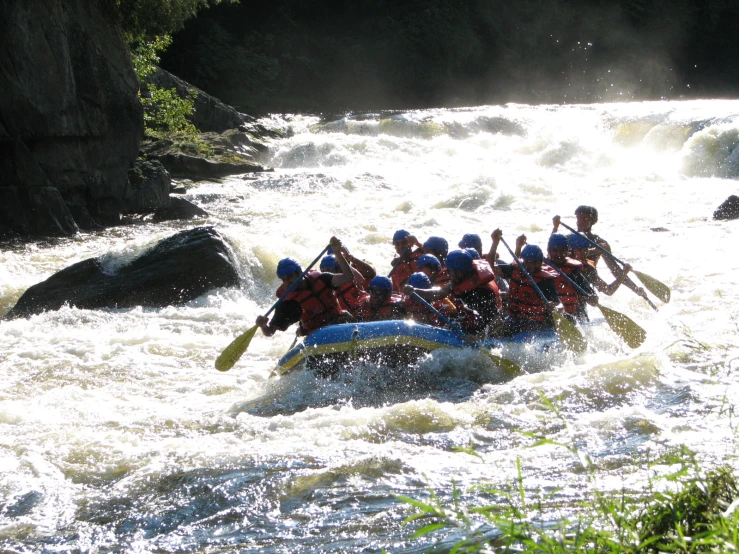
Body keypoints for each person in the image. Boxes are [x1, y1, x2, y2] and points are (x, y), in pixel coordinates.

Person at [256, 237, 353, 337]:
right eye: (283, 280)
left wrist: (337, 253)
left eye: (289, 277)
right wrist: (262, 325)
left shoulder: (322, 279)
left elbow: (348, 277)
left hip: (340, 326)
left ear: (299, 273)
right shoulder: (289, 303)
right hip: (318, 338)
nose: (287, 282)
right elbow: (270, 332)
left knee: (346, 316)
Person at [552, 207, 649, 302]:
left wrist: (635, 289)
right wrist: (555, 227)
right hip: (567, 276)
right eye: (578, 218)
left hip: (588, 275)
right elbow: (552, 252)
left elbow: (615, 271)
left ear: (593, 221)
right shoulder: (568, 239)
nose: (580, 222)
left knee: (600, 293)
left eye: (585, 219)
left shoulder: (601, 244)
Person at [406, 249, 502, 336]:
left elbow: (494, 320)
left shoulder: (482, 292)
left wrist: (478, 337)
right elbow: (440, 293)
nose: (447, 273)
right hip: (469, 320)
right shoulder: (460, 278)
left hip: (485, 329)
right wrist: (415, 291)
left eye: (449, 271)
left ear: (459, 272)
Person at [489, 230, 561, 334]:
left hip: (534, 322)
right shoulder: (514, 269)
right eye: (528, 262)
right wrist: (495, 242)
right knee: (494, 325)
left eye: (535, 262)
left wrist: (554, 306)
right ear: (523, 261)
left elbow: (559, 304)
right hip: (513, 317)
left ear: (541, 262)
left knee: (508, 328)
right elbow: (490, 267)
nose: (531, 266)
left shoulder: (545, 281)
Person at [546, 233, 596, 322]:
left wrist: (592, 298)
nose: (558, 254)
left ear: (567, 251)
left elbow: (590, 295)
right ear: (549, 251)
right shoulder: (542, 270)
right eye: (555, 250)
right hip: (550, 318)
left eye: (562, 251)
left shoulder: (574, 271)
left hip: (575, 316)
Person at [569, 233, 633, 296]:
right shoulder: (562, 263)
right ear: (571, 251)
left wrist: (623, 273)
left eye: (585, 250)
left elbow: (608, 290)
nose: (583, 253)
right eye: (579, 250)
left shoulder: (589, 269)